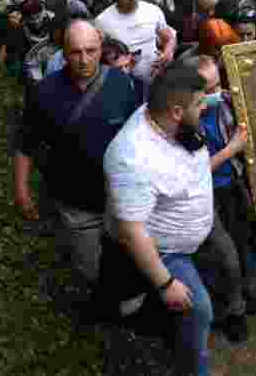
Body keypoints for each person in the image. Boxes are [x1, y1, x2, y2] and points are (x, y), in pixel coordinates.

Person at [101, 67, 217, 376]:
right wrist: (166, 283)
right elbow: (131, 232)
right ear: (177, 112)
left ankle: (166, 330)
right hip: (164, 250)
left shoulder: (165, 113)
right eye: (200, 103)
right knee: (199, 310)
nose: (205, 107)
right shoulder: (132, 157)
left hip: (190, 235)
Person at [13, 19, 143, 288]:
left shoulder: (122, 84)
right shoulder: (44, 92)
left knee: (127, 260)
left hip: (120, 198)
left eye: (91, 51)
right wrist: (22, 190)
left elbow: (141, 137)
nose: (84, 59)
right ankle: (99, 311)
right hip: (74, 202)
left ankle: (126, 306)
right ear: (63, 51)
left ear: (101, 48)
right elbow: (26, 143)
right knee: (91, 268)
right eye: (75, 52)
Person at [183, 54, 256, 342]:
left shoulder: (229, 101)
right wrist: (231, 149)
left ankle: (240, 291)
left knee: (240, 243)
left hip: (233, 184)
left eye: (218, 85)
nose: (216, 93)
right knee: (221, 254)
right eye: (209, 89)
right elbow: (191, 170)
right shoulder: (183, 121)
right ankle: (232, 311)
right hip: (204, 196)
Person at [95, 0, 176, 85]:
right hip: (122, 83)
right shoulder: (102, 21)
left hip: (156, 77)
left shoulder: (152, 10)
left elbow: (169, 38)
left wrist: (167, 53)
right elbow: (97, 56)